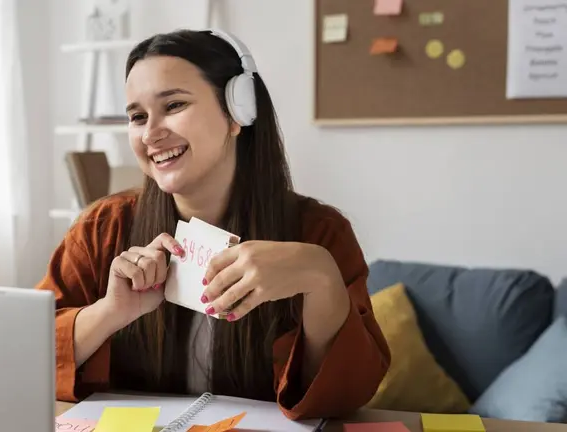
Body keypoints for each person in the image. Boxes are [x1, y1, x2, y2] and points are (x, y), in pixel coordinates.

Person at [37, 29, 390, 421]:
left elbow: (346, 397)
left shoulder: (320, 232)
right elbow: (21, 359)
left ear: (238, 112)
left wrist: (321, 279)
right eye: (138, 116)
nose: (151, 133)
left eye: (173, 105)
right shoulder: (101, 228)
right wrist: (108, 313)